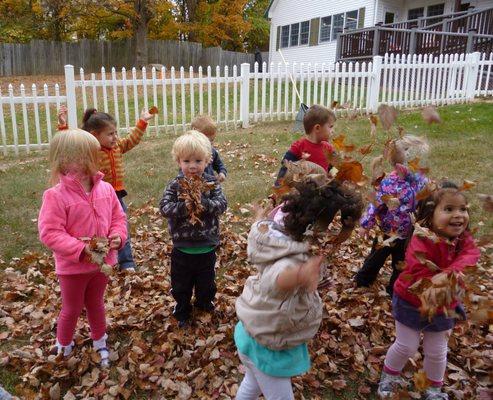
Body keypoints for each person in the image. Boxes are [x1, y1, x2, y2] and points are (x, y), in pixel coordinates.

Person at [235, 179, 363, 399]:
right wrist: (300, 275)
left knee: (252, 383)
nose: (333, 237)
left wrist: (259, 216)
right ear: (313, 228)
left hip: (253, 330)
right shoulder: (292, 261)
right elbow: (275, 280)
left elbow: (257, 231)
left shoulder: (274, 233)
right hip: (269, 343)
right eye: (331, 229)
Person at [377, 181, 480, 399]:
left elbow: (470, 256)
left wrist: (453, 271)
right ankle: (389, 375)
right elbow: (417, 270)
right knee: (407, 345)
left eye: (463, 209)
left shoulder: (463, 239)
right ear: (429, 215)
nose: (459, 215)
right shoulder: (421, 238)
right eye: (449, 209)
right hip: (410, 302)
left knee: (437, 351)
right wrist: (447, 277)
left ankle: (433, 389)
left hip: (443, 306)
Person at [38, 129, 127, 367]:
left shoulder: (106, 189)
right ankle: (63, 345)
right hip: (73, 268)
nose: (96, 159)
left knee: (96, 303)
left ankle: (100, 340)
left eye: (95, 153)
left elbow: (119, 217)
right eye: (88, 155)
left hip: (101, 265)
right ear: (66, 160)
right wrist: (80, 250)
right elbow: (50, 232)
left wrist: (118, 235)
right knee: (72, 308)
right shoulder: (55, 196)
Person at [59, 105, 152, 271]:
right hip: (97, 197)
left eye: (116, 132)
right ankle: (100, 258)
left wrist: (142, 122)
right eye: (110, 134)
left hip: (116, 195)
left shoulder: (116, 147)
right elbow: (69, 146)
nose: (115, 137)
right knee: (99, 228)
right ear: (94, 135)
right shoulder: (90, 151)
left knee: (121, 227)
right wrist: (63, 126)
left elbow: (132, 140)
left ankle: (126, 262)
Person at [159, 130, 227, 328]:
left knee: (206, 282)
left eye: (198, 160)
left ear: (207, 161)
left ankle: (204, 303)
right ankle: (182, 308)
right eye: (187, 161)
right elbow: (164, 207)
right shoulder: (175, 185)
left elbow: (222, 205)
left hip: (207, 245)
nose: (192, 166)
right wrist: (184, 206)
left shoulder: (211, 183)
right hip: (182, 246)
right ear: (178, 162)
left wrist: (203, 203)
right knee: (181, 283)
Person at [355, 135, 430, 295]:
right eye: (415, 164)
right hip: (387, 232)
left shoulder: (419, 181)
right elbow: (376, 205)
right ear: (401, 166)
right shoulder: (389, 184)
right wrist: (365, 225)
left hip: (406, 235)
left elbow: (428, 197)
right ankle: (363, 280)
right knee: (375, 258)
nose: (419, 168)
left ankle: (394, 290)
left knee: (401, 265)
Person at [275, 105, 336, 186]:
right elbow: (286, 167)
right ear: (317, 128)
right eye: (330, 127)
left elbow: (334, 168)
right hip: (303, 188)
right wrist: (278, 187)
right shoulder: (299, 146)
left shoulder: (329, 148)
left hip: (322, 187)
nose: (333, 131)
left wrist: (335, 177)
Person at [191, 115, 227, 182]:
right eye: (206, 141)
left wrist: (222, 173)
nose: (209, 144)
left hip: (210, 185)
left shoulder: (211, 151)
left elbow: (219, 164)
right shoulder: (188, 152)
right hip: (192, 186)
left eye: (212, 141)